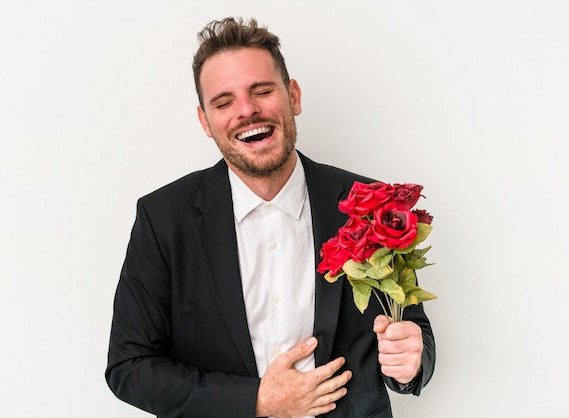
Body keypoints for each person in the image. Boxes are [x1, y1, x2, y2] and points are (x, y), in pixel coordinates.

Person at [105, 17, 435, 418]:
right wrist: (257, 401)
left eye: (262, 91)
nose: (247, 110)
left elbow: (412, 332)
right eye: (224, 102)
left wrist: (410, 362)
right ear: (205, 121)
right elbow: (130, 368)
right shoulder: (162, 219)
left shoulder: (369, 206)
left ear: (293, 96)